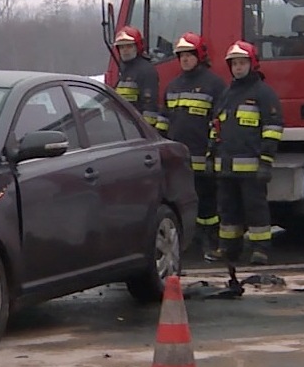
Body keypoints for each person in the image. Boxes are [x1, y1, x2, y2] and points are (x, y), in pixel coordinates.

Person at [205, 40, 283, 265]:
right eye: (235, 64)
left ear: (252, 64)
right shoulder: (227, 93)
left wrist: (266, 161)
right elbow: (215, 127)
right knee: (227, 211)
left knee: (255, 209)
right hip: (226, 166)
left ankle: (260, 250)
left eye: (242, 63)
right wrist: (211, 156)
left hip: (251, 168)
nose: (238, 68)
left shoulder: (263, 93)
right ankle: (229, 249)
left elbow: (273, 128)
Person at [162, 33, 227, 257]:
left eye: (189, 55)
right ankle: (190, 241)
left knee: (207, 202)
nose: (185, 60)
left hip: (203, 156)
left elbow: (220, 121)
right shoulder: (173, 86)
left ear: (199, 56)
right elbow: (164, 120)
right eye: (182, 56)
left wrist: (213, 151)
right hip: (178, 160)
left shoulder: (214, 84)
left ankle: (211, 240)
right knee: (182, 201)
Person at [111, 25, 163, 129]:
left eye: (129, 46)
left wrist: (146, 131)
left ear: (137, 47)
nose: (125, 50)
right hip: (125, 127)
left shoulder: (146, 71)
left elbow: (149, 107)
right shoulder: (124, 69)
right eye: (121, 47)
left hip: (138, 130)